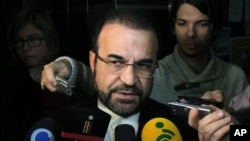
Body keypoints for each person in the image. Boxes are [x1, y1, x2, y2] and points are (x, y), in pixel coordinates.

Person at [26, 9, 238, 141]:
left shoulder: (186, 126)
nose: (129, 79)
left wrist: (236, 132)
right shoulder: (52, 129)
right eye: (116, 62)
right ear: (93, 62)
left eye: (144, 65)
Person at [40, 0, 248, 106]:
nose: (191, 33)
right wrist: (68, 67)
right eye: (183, 24)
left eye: (201, 24)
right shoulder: (152, 70)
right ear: (173, 27)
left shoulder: (235, 77)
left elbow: (244, 133)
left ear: (214, 28)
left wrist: (229, 126)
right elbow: (103, 80)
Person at [1, 7, 76, 141]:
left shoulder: (67, 71)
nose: (25, 48)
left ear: (48, 39)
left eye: (33, 40)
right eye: (19, 41)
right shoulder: (10, 83)